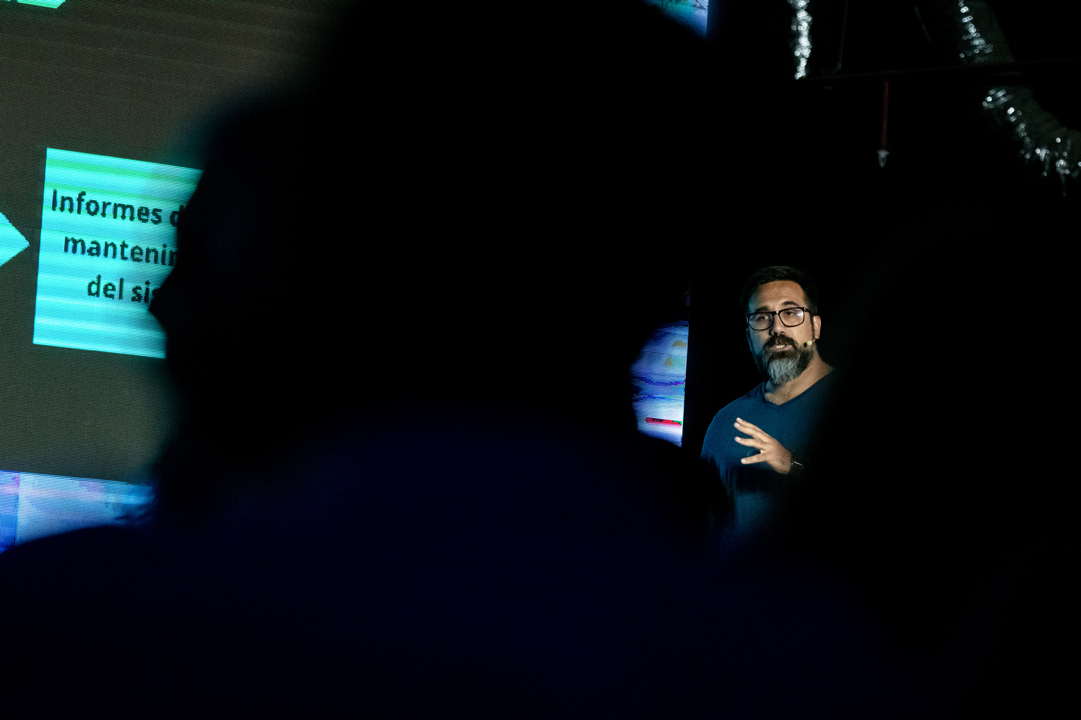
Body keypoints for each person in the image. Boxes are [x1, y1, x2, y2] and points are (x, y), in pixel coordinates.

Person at [700, 265, 836, 548]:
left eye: (791, 313)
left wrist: (792, 464)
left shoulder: (856, 401)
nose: (776, 328)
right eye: (762, 317)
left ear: (815, 326)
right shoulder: (725, 422)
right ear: (749, 336)